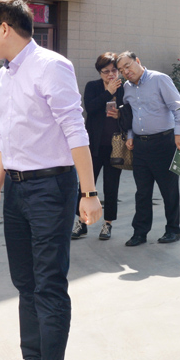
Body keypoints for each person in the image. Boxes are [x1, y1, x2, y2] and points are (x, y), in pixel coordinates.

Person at [0, 0, 102, 360]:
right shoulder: (1, 78)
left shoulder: (52, 66)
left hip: (52, 187)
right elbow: (5, 137)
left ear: (4, 28)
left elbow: (75, 130)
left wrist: (89, 193)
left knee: (49, 283)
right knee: (25, 281)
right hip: (15, 189)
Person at [117, 51, 180, 247]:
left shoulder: (159, 80)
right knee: (142, 192)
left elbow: (179, 107)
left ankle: (173, 230)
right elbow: (130, 114)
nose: (126, 72)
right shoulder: (127, 87)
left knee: (169, 190)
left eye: (128, 66)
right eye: (122, 70)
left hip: (164, 143)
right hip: (140, 146)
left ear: (138, 61)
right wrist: (130, 136)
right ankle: (140, 233)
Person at [70, 52, 124, 241]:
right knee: (86, 186)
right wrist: (108, 92)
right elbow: (90, 108)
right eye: (106, 71)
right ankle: (81, 222)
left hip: (116, 146)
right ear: (99, 72)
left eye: (114, 70)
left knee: (111, 186)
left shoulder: (124, 88)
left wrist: (121, 115)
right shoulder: (93, 86)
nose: (111, 74)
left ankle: (107, 223)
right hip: (94, 145)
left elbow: (131, 112)